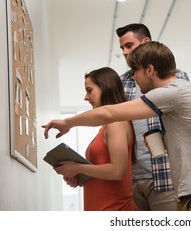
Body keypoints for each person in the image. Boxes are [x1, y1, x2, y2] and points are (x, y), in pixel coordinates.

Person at [43, 42, 191, 211]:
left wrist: (67, 123)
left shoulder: (174, 92)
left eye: (135, 71)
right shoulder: (178, 94)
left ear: (150, 70)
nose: (133, 77)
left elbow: (110, 113)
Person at [116, 23, 189, 211]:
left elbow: (183, 122)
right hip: (131, 178)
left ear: (145, 42)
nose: (124, 52)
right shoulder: (121, 82)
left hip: (165, 174)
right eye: (122, 48)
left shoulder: (176, 77)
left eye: (129, 46)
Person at [48, 67, 137, 211]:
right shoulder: (106, 127)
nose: (85, 97)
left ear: (106, 88)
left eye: (89, 90)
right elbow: (102, 174)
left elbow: (117, 171)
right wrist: (79, 175)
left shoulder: (117, 123)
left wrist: (77, 167)